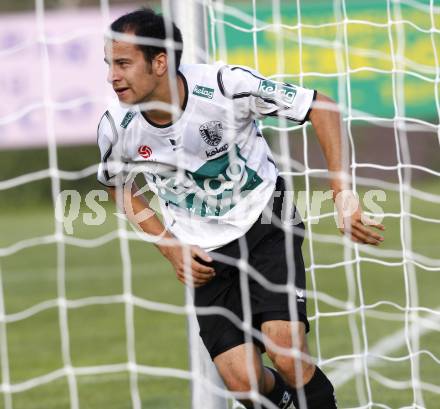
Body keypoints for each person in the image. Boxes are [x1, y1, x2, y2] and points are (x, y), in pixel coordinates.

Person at [97, 8, 385, 409]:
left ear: (159, 62)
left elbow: (322, 106)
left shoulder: (224, 86)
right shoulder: (116, 126)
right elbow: (118, 186)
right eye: (109, 64)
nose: (113, 76)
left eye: (124, 63)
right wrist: (171, 247)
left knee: (286, 351)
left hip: (264, 221)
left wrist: (343, 193)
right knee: (243, 383)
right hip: (204, 251)